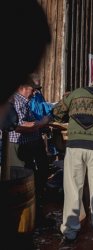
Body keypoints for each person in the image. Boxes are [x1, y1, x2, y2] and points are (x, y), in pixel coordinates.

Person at [52, 75, 93, 242]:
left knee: (73, 188)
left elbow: (57, 113)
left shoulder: (76, 93)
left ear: (92, 83)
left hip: (74, 146)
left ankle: (70, 230)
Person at [8, 76, 51, 224]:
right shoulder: (14, 100)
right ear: (23, 87)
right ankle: (21, 220)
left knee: (36, 176)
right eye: (33, 90)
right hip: (19, 146)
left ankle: (35, 214)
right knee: (21, 183)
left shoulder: (25, 101)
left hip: (31, 143)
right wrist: (42, 122)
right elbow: (19, 126)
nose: (35, 93)